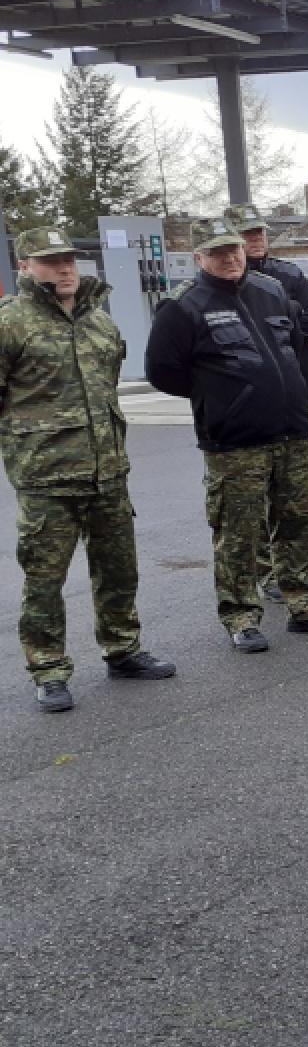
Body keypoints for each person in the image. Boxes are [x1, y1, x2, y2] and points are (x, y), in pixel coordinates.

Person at [146, 219, 308, 652]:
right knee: (239, 533)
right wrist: (218, 396)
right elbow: (163, 371)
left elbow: (293, 346)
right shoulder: (183, 306)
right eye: (218, 252)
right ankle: (241, 616)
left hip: (292, 431)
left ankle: (302, 604)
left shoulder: (272, 291)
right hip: (235, 443)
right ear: (199, 259)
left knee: (297, 524)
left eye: (234, 249)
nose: (231, 257)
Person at [0, 225, 175, 711]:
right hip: (46, 479)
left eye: (69, 260)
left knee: (119, 570)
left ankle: (122, 649)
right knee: (45, 580)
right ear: (25, 267)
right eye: (51, 261)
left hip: (108, 472)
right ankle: (49, 668)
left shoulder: (99, 322)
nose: (64, 269)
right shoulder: (10, 323)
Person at [223, 202, 308, 600]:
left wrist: (280, 310)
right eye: (246, 235)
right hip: (250, 407)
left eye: (259, 233)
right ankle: (269, 573)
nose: (255, 240)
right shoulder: (220, 283)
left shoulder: (288, 275)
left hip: (302, 395)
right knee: (259, 497)